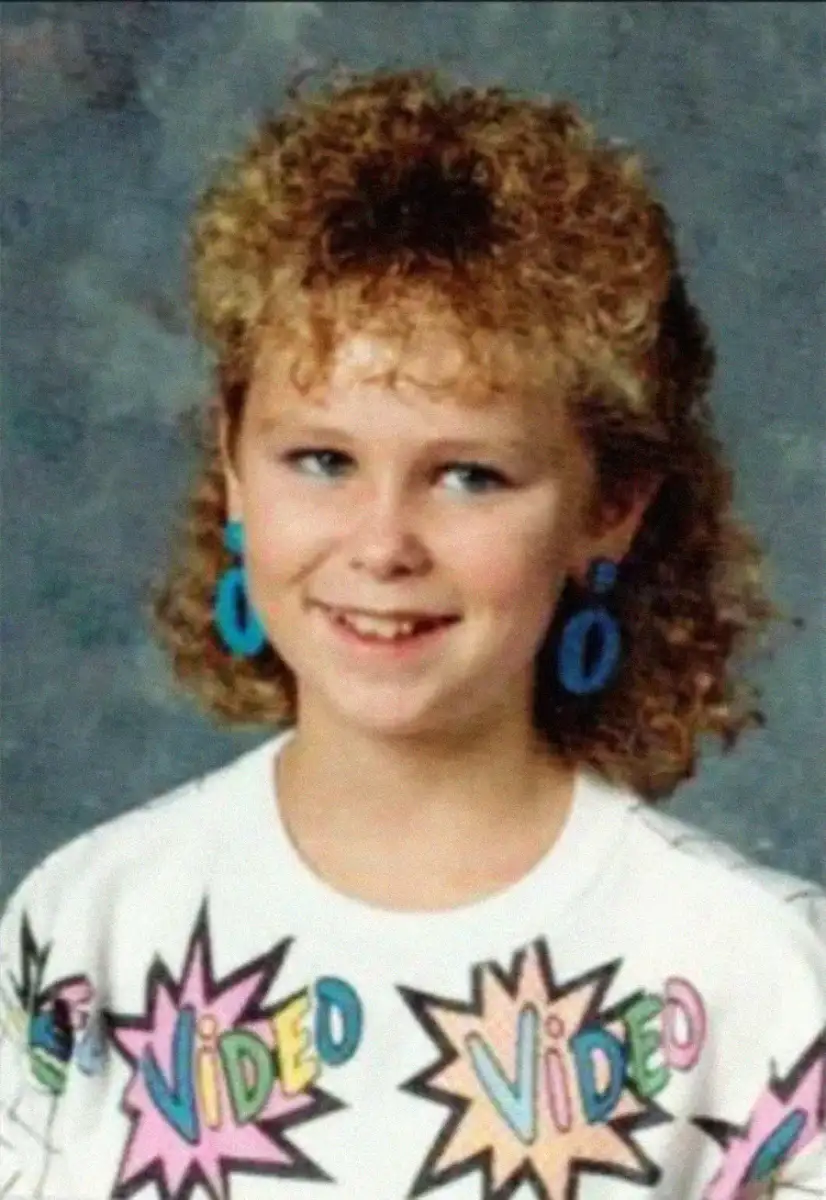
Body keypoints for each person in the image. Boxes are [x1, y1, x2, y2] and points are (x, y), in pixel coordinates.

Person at [0, 65, 823, 1200]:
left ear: (607, 510)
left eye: (469, 476)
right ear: (234, 469)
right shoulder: (86, 929)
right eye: (322, 460)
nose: (381, 544)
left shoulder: (764, 981)